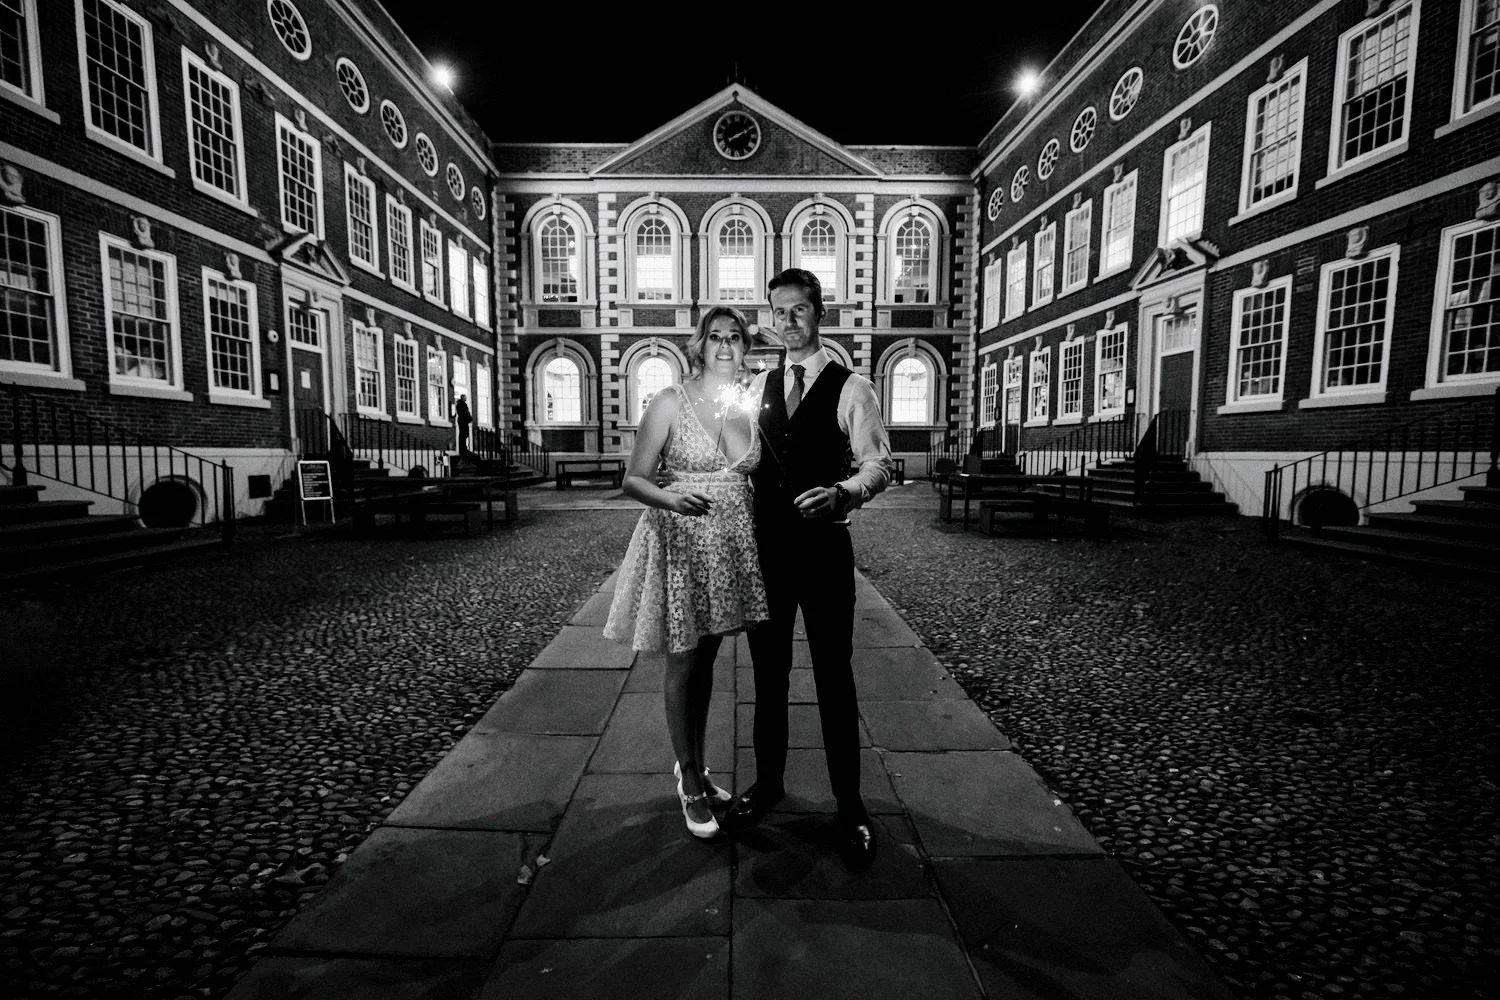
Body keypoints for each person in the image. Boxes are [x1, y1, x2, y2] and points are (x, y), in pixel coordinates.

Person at [720, 268, 894, 872]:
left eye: (798, 310)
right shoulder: (757, 387)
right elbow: (748, 461)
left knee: (832, 676)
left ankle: (850, 804)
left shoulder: (853, 387)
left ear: (819, 314)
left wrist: (843, 494)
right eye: (778, 311)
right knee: (768, 675)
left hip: (824, 552)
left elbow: (879, 464)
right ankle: (768, 784)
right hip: (767, 552)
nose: (787, 322)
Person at [603, 306, 769, 839]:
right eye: (716, 336)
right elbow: (634, 479)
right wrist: (671, 499)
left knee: (708, 660)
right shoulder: (671, 400)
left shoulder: (749, 404)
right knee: (684, 661)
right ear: (700, 344)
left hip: (730, 549)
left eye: (736, 337)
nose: (725, 345)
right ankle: (691, 779)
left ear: (746, 347)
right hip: (682, 542)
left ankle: (693, 760)